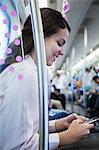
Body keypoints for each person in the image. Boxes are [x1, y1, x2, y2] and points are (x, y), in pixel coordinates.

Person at [0, 8, 94, 150]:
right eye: (59, 42)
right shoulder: (24, 75)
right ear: (40, 36)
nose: (62, 51)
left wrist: (58, 125)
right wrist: (67, 137)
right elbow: (15, 146)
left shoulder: (30, 71)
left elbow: (26, 128)